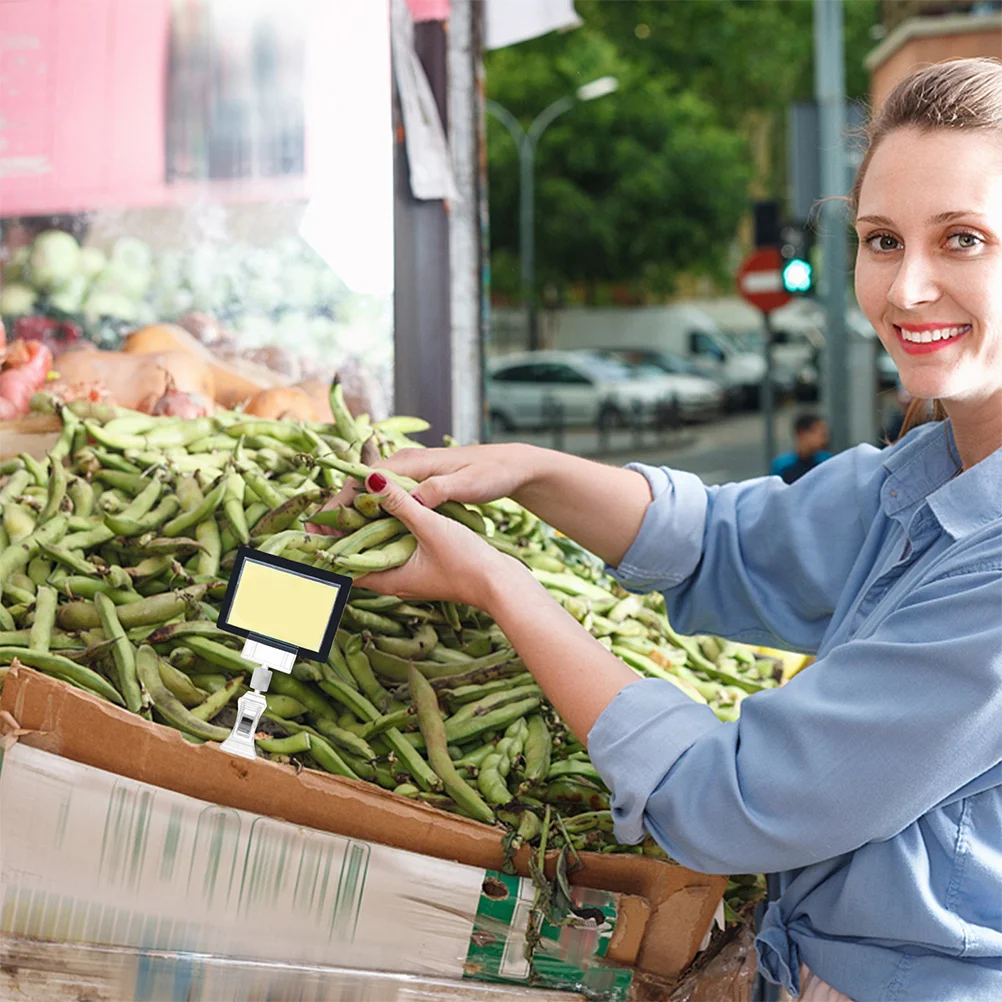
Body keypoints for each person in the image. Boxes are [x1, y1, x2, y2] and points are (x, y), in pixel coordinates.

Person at [309, 58, 1002, 1001]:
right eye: (881, 240)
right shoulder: (924, 475)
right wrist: (532, 470)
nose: (908, 288)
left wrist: (503, 586)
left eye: (963, 239)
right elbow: (724, 542)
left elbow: (728, 801)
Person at [770, 413, 832, 483]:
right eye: (820, 434)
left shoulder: (827, 461)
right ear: (801, 433)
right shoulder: (782, 466)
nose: (825, 439)